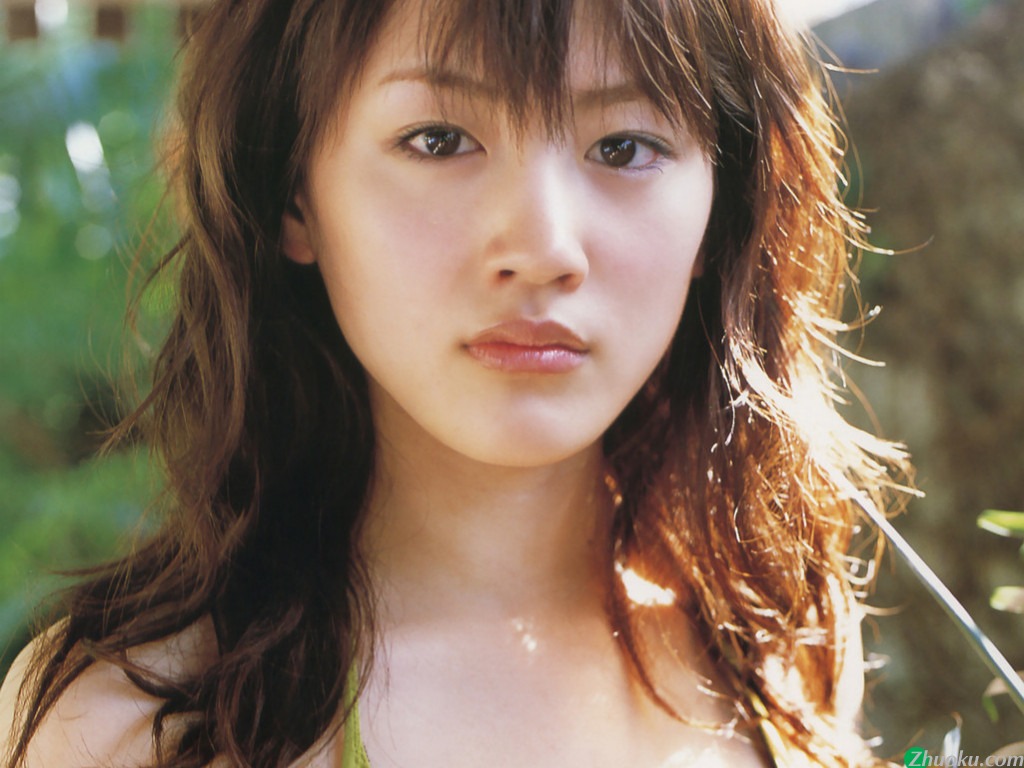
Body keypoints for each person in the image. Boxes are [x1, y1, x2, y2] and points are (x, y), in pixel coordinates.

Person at [0, 0, 910, 765]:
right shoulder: (129, 728)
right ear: (293, 193)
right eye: (439, 140)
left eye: (625, 146)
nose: (544, 247)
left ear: (723, 205)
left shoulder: (776, 648)